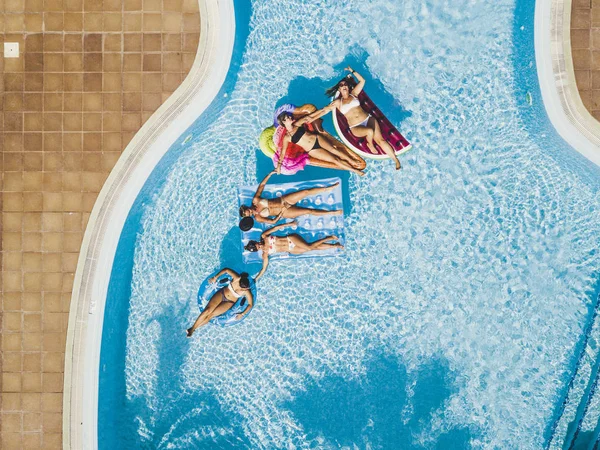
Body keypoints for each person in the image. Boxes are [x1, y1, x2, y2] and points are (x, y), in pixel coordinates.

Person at [308, 66, 402, 170]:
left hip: (368, 119)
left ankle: (396, 160)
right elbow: (325, 110)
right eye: (341, 85)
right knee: (369, 131)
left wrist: (352, 71)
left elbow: (362, 81)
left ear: (348, 87)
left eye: (345, 84)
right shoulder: (339, 102)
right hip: (355, 127)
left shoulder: (354, 94)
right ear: (339, 88)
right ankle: (369, 144)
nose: (344, 86)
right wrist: (311, 118)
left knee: (381, 141)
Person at [245, 221, 343, 280]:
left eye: (256, 244)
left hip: (290, 239)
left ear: (255, 242)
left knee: (309, 247)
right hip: (291, 249)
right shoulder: (265, 254)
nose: (258, 246)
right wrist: (256, 279)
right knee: (312, 248)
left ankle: (328, 238)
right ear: (256, 250)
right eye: (256, 248)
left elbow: (276, 228)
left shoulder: (264, 236)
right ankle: (334, 246)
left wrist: (290, 224)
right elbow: (264, 268)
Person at [277, 112, 365, 176]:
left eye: (289, 115)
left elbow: (309, 117)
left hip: (317, 138)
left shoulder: (297, 124)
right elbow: (283, 153)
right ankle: (355, 171)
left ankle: (351, 160)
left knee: (334, 150)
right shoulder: (287, 137)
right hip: (313, 150)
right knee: (335, 160)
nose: (290, 117)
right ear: (284, 122)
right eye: (287, 117)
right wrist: (279, 165)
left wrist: (325, 109)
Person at [239, 171, 343, 224]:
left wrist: (270, 174)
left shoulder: (256, 201)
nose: (250, 212)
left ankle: (329, 188)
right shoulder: (258, 218)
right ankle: (332, 213)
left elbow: (261, 186)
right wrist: (281, 212)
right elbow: (273, 221)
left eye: (248, 211)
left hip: (283, 200)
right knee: (308, 211)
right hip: (285, 212)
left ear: (247, 208)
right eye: (249, 214)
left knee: (305, 192)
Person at [186, 268, 254, 337]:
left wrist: (242, 314)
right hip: (222, 294)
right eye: (241, 287)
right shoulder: (237, 278)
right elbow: (226, 270)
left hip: (229, 302)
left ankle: (192, 329)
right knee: (207, 310)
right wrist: (215, 277)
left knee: (210, 315)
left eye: (243, 289)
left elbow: (250, 304)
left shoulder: (246, 291)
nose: (242, 289)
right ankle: (192, 328)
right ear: (240, 282)